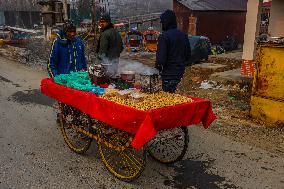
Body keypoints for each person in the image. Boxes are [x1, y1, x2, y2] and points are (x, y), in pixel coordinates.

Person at [155, 10, 191, 93]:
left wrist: (157, 69)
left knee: (169, 100)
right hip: (180, 74)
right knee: (178, 99)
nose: (162, 24)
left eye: (162, 22)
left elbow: (160, 60)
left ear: (166, 22)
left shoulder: (164, 37)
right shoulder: (183, 35)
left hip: (168, 75)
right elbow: (188, 55)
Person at [96, 13, 124, 78]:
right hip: (115, 61)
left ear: (108, 22)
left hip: (106, 63)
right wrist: (115, 55)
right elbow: (121, 48)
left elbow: (102, 51)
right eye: (100, 22)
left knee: (105, 81)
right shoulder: (116, 32)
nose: (101, 24)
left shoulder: (105, 34)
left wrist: (99, 59)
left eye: (103, 22)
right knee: (113, 79)